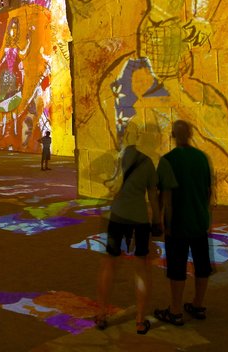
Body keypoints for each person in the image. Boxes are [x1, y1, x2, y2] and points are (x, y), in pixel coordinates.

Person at [96, 127, 162, 335]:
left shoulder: (116, 160)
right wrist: (157, 221)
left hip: (117, 216)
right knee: (141, 267)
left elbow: (107, 186)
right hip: (140, 219)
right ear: (139, 139)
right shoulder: (147, 162)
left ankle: (102, 314)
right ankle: (140, 320)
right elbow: (152, 196)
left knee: (110, 264)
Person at [154, 120, 214, 326]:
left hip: (177, 223)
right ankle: (198, 305)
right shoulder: (202, 158)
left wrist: (162, 221)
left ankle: (176, 310)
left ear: (172, 135)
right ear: (190, 134)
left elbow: (165, 196)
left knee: (177, 268)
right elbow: (208, 191)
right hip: (199, 221)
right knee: (202, 265)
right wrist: (206, 216)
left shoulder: (167, 160)